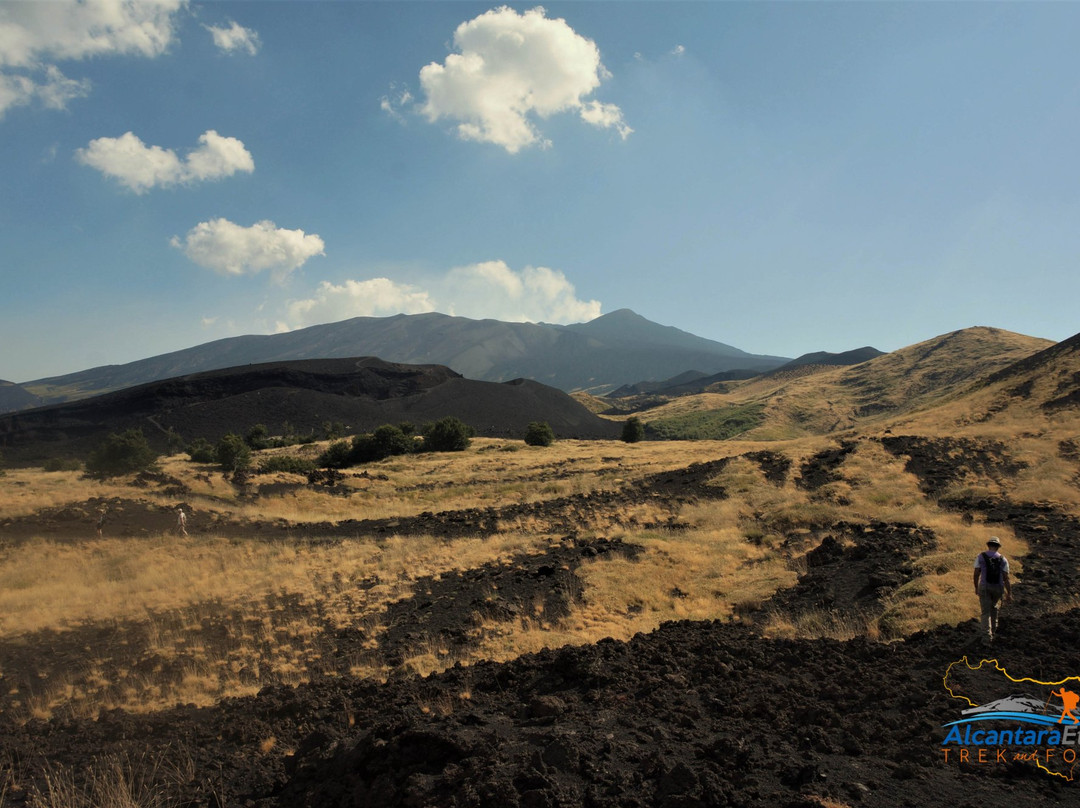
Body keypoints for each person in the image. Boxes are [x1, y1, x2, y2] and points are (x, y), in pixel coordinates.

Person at [973, 536, 1012, 645]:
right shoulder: (1003, 559)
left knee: (985, 612)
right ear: (998, 547)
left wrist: (976, 587)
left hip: (985, 587)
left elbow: (976, 573)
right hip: (998, 588)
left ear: (988, 545)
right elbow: (1006, 577)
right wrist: (1009, 592)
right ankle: (993, 632)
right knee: (994, 607)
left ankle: (986, 638)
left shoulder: (981, 557)